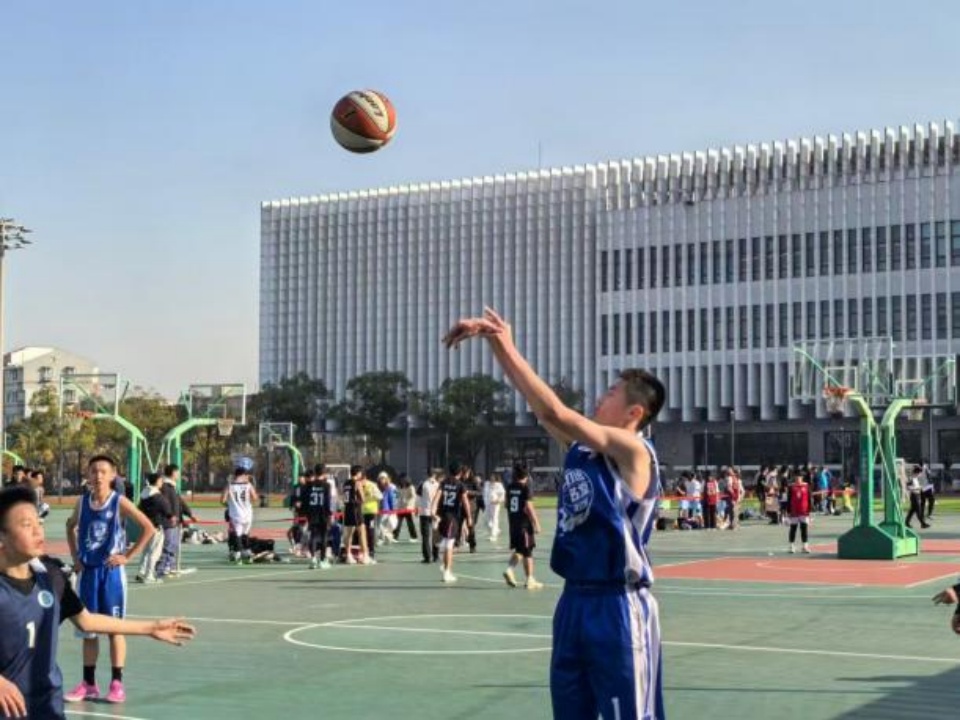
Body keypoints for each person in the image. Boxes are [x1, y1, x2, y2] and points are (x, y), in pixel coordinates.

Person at [444, 307, 666, 720]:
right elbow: (541, 406)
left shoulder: (636, 452)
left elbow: (555, 413)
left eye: (611, 393)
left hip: (617, 606)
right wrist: (495, 343)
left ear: (634, 413)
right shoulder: (581, 449)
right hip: (573, 602)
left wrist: (504, 342)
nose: (600, 397)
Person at [0, 485, 195, 719]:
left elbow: (87, 621)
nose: (37, 531)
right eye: (26, 525)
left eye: (38, 523)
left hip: (47, 705)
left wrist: (150, 628)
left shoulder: (51, 576)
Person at [64, 455, 156, 704]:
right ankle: (89, 684)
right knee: (88, 631)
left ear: (113, 475)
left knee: (115, 629)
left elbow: (149, 528)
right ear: (88, 474)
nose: (98, 476)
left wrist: (127, 556)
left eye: (103, 471)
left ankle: (117, 683)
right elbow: (70, 526)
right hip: (88, 574)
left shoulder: (119, 502)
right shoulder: (82, 502)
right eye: (94, 471)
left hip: (111, 575)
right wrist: (76, 557)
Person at [503, 464, 543, 590]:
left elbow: (506, 504)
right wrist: (536, 523)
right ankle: (520, 574)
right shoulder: (525, 487)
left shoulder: (510, 487)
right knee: (527, 550)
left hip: (513, 523)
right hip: (524, 524)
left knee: (522, 550)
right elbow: (529, 506)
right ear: (526, 475)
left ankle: (527, 578)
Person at [431, 462, 472, 583]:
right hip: (452, 517)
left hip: (442, 515)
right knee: (449, 545)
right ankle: (447, 572)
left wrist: (433, 510)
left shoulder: (444, 482)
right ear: (460, 472)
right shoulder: (460, 485)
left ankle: (445, 566)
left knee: (447, 543)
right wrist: (469, 517)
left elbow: (437, 496)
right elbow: (465, 502)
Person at [297, 464, 334, 569]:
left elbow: (304, 500)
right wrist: (329, 514)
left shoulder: (308, 485)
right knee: (324, 536)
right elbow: (327, 501)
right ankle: (322, 560)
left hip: (312, 513)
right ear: (324, 473)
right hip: (323, 513)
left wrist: (303, 512)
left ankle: (313, 559)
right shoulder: (327, 485)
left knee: (313, 535)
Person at [136, 473, 171, 584]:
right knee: (154, 551)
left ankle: (141, 572)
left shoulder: (144, 494)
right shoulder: (158, 496)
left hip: (145, 526)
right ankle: (149, 575)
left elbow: (139, 509)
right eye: (161, 480)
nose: (162, 482)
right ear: (157, 481)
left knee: (146, 550)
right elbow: (167, 510)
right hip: (156, 526)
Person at [222, 460, 259, 563]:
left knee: (237, 534)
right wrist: (247, 501)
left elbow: (222, 500)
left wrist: (230, 504)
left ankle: (238, 554)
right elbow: (255, 498)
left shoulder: (230, 485)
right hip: (248, 514)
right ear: (243, 474)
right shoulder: (248, 485)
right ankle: (246, 553)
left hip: (236, 514)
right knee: (245, 534)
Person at [340, 466, 372, 565]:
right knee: (362, 532)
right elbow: (362, 498)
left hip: (347, 509)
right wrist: (363, 491)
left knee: (349, 533)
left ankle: (348, 555)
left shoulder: (346, 483)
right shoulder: (357, 483)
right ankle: (365, 556)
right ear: (358, 473)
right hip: (356, 509)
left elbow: (343, 496)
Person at [417, 470, 440, 563]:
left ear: (427, 474)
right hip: (436, 512)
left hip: (425, 512)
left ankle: (427, 557)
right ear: (434, 475)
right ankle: (436, 556)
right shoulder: (438, 484)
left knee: (425, 536)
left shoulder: (423, 484)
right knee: (436, 534)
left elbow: (418, 497)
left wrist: (417, 508)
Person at [787, 470, 812, 554]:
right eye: (796, 477)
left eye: (800, 477)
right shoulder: (791, 487)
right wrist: (788, 510)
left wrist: (809, 510)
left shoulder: (806, 486)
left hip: (804, 511)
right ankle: (791, 546)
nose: (798, 478)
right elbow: (789, 499)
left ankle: (805, 546)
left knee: (804, 529)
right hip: (794, 511)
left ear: (802, 477)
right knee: (793, 528)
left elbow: (809, 498)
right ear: (794, 477)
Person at [393, 474, 419, 543]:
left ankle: (414, 537)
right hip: (401, 507)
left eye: (403, 479)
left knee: (410, 523)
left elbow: (413, 496)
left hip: (408, 508)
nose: (401, 481)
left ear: (406, 479)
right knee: (398, 522)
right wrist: (398, 503)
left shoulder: (411, 487)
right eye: (400, 479)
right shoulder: (399, 487)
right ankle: (395, 537)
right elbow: (398, 495)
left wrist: (407, 501)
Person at [484, 472, 506, 541]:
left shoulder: (499, 485)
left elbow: (503, 495)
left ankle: (493, 536)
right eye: (491, 476)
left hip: (495, 504)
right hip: (487, 504)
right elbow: (484, 493)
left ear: (496, 477)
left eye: (493, 476)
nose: (491, 478)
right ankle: (497, 530)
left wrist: (498, 500)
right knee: (486, 521)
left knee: (494, 519)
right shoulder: (486, 484)